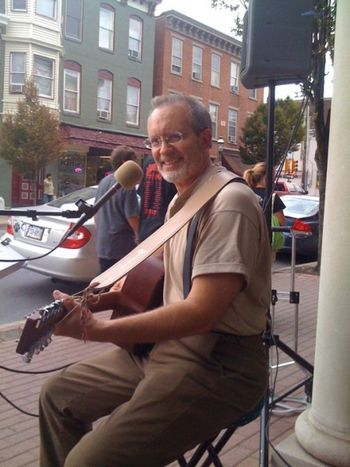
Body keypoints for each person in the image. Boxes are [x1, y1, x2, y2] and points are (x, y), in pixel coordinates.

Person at [39, 94, 272, 467]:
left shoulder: (229, 203)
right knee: (56, 395)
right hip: (164, 350)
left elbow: (200, 314)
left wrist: (94, 330)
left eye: (174, 137)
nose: (163, 151)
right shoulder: (180, 201)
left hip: (219, 365)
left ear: (206, 139)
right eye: (155, 141)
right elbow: (150, 280)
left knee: (88, 462)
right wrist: (87, 302)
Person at [94, 146, 140, 273]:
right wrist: (142, 237)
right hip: (121, 246)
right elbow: (132, 217)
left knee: (103, 283)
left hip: (103, 243)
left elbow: (95, 213)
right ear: (126, 163)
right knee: (117, 287)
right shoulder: (127, 184)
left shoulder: (103, 182)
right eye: (134, 161)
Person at [138, 154, 177, 241]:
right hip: (164, 232)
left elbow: (141, 192)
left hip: (145, 229)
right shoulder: (173, 161)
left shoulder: (148, 161)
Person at [243, 162, 286, 226]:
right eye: (273, 177)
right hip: (266, 235)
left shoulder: (245, 194)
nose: (273, 181)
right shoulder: (272, 197)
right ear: (266, 177)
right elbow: (281, 223)